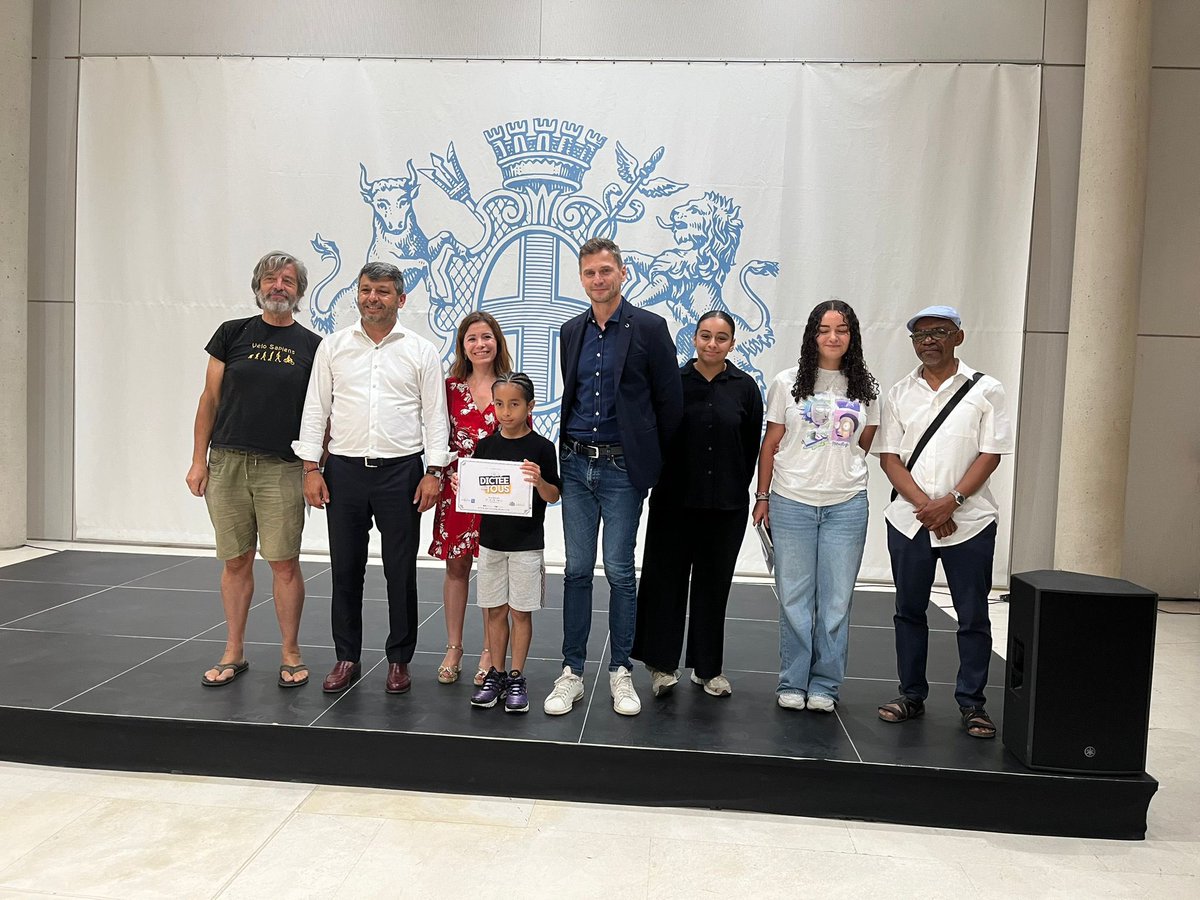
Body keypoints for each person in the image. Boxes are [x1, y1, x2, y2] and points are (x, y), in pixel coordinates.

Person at [294, 262, 450, 695]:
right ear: (357, 294)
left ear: (400, 299)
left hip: (402, 472)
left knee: (400, 573)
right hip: (343, 472)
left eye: (382, 291)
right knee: (345, 569)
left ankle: (399, 660)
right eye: (365, 290)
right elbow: (314, 410)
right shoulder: (333, 347)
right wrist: (311, 468)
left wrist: (433, 471)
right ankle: (346, 656)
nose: (372, 298)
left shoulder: (421, 351)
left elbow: (436, 416)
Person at [544, 237, 683, 717]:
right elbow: (573, 394)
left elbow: (669, 403)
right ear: (581, 279)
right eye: (589, 273)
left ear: (622, 273)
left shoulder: (649, 327)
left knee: (621, 572)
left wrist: (651, 465)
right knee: (577, 571)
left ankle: (621, 670)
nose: (598, 280)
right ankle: (572, 672)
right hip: (577, 465)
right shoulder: (570, 331)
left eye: (606, 271)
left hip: (624, 469)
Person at [873, 304, 1013, 739]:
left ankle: (973, 703)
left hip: (968, 521)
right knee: (908, 611)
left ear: (959, 337)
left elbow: (991, 453)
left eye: (938, 332)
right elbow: (889, 457)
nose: (928, 340)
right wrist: (927, 508)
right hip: (910, 520)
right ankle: (911, 694)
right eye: (920, 335)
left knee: (972, 615)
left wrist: (951, 502)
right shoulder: (897, 393)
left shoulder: (986, 390)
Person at [186, 251, 322, 688]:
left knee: (283, 562)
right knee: (236, 559)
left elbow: (321, 414)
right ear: (258, 286)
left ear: (299, 291)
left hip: (281, 467)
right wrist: (197, 460)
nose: (278, 285)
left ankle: (291, 652)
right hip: (226, 463)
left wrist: (310, 469)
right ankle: (234, 650)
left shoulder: (313, 346)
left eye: (287, 280)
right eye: (270, 278)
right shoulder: (231, 334)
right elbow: (209, 400)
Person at [753, 300, 879, 712]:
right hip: (792, 503)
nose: (832, 337)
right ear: (812, 335)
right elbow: (770, 445)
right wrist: (763, 496)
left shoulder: (867, 388)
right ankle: (792, 680)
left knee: (836, 602)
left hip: (846, 505)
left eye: (841, 329)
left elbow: (864, 443)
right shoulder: (787, 383)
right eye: (824, 329)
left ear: (852, 336)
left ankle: (825, 684)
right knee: (794, 598)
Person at [632, 311, 763, 698]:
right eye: (705, 335)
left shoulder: (745, 388)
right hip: (674, 502)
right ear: (694, 338)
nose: (712, 344)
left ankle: (708, 669)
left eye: (721, 338)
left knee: (713, 585)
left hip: (725, 507)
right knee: (664, 582)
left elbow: (750, 445)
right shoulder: (672, 382)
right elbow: (655, 433)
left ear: (732, 344)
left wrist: (739, 489)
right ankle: (661, 666)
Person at [452, 373, 562, 713]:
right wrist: (463, 488)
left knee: (520, 612)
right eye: (499, 404)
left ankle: (517, 676)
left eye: (514, 404)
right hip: (491, 544)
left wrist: (539, 479)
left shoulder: (542, 447)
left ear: (530, 406)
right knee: (494, 610)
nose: (505, 411)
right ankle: (496, 674)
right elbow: (477, 493)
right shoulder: (486, 446)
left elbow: (554, 494)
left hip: (527, 544)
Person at [428, 311, 515, 686]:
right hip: (456, 490)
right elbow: (434, 435)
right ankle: (454, 646)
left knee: (494, 571)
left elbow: (525, 436)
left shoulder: (511, 387)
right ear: (462, 346)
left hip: (499, 492)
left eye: (486, 337)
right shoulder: (448, 387)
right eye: (472, 339)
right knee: (457, 567)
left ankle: (488, 651)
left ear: (497, 342)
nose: (480, 345)